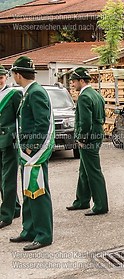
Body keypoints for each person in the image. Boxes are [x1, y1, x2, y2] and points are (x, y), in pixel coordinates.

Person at [10, 56, 54, 251]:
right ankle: (29, 229)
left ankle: (44, 234)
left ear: (18, 75)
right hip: (27, 152)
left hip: (34, 152)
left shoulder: (36, 93)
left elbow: (42, 123)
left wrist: (31, 146)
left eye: (13, 74)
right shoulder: (28, 92)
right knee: (28, 192)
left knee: (38, 192)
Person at [66, 67, 108, 216]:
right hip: (97, 135)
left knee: (93, 171)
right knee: (84, 170)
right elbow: (102, 117)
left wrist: (82, 138)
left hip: (89, 138)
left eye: (74, 81)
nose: (72, 84)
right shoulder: (96, 95)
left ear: (82, 81)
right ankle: (82, 201)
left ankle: (101, 205)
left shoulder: (84, 97)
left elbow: (85, 121)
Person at [0, 65, 22, 229]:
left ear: (6, 78)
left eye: (1, 78)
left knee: (8, 178)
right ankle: (14, 208)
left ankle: (5, 215)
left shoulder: (14, 93)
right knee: (2, 178)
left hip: (9, 141)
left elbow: (20, 118)